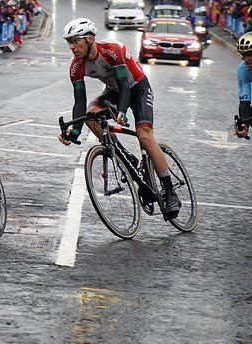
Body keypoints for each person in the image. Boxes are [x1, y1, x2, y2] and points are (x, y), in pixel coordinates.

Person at [57, 18, 181, 219]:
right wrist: (74, 132)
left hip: (137, 88)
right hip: (114, 91)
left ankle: (169, 191)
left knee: (145, 136)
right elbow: (79, 102)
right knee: (91, 114)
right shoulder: (76, 66)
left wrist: (122, 112)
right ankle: (123, 155)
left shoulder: (112, 50)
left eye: (75, 41)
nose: (71, 46)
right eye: (68, 42)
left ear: (89, 39)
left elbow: (125, 86)